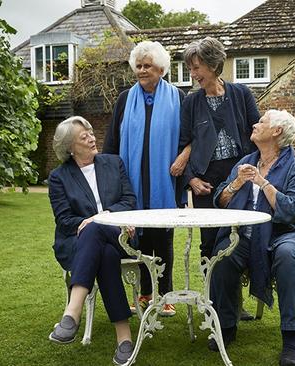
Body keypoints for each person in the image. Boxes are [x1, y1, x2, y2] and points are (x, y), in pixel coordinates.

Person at [209, 110, 295, 366]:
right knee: (223, 255)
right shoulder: (246, 160)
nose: (255, 124)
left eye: (262, 122)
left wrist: (262, 182)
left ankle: (290, 339)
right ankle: (226, 325)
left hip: (286, 233)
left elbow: (291, 210)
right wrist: (236, 183)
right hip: (247, 235)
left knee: (288, 255)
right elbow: (220, 201)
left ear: (277, 132)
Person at [103, 41, 187, 317]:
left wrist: (183, 157)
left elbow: (190, 138)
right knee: (137, 240)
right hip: (133, 182)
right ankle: (143, 294)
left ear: (161, 69)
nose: (141, 70)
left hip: (166, 181)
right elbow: (112, 142)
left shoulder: (179, 98)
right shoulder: (125, 99)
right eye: (138, 66)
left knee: (162, 238)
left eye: (147, 66)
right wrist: (110, 179)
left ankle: (165, 295)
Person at [47, 116, 137, 365]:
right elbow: (65, 220)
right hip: (77, 242)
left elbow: (129, 201)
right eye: (83, 136)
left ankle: (71, 313)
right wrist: (93, 222)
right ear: (70, 148)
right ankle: (124, 338)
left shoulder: (113, 163)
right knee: (105, 254)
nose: (91, 137)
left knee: (97, 227)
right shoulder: (59, 177)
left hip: (119, 234)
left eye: (90, 132)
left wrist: (102, 217)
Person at [179, 36, 261, 260]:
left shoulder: (241, 94)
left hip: (239, 174)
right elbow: (182, 144)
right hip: (206, 180)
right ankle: (209, 294)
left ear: (214, 65)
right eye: (189, 69)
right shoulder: (191, 102)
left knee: (240, 237)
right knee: (209, 243)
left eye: (196, 68)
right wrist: (191, 180)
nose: (193, 75)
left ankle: (231, 292)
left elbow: (258, 133)